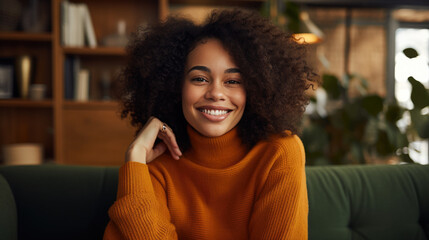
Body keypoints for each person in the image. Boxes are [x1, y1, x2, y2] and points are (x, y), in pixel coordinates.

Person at [103, 8, 317, 240]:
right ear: (176, 87)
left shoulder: (279, 153)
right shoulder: (155, 162)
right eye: (200, 79)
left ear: (255, 89)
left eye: (233, 81)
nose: (216, 93)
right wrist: (135, 160)